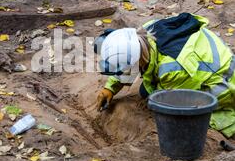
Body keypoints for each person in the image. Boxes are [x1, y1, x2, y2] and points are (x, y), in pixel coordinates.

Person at [94, 13, 235, 138]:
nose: (125, 72)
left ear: (137, 60)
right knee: (146, 90)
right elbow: (128, 60)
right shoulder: (146, 31)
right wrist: (111, 87)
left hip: (224, 83)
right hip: (205, 57)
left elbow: (165, 101)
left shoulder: (172, 70)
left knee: (174, 111)